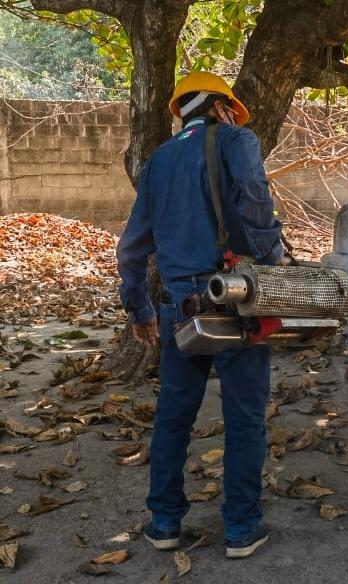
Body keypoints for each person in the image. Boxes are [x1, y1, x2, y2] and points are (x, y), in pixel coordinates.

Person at [116, 71, 283, 559]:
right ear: (219, 107)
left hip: (179, 309)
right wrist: (271, 261)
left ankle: (164, 523)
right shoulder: (236, 137)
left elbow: (130, 250)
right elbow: (254, 197)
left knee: (173, 416)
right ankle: (240, 529)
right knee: (245, 418)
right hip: (236, 300)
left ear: (181, 111)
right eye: (231, 109)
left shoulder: (156, 163)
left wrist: (139, 307)